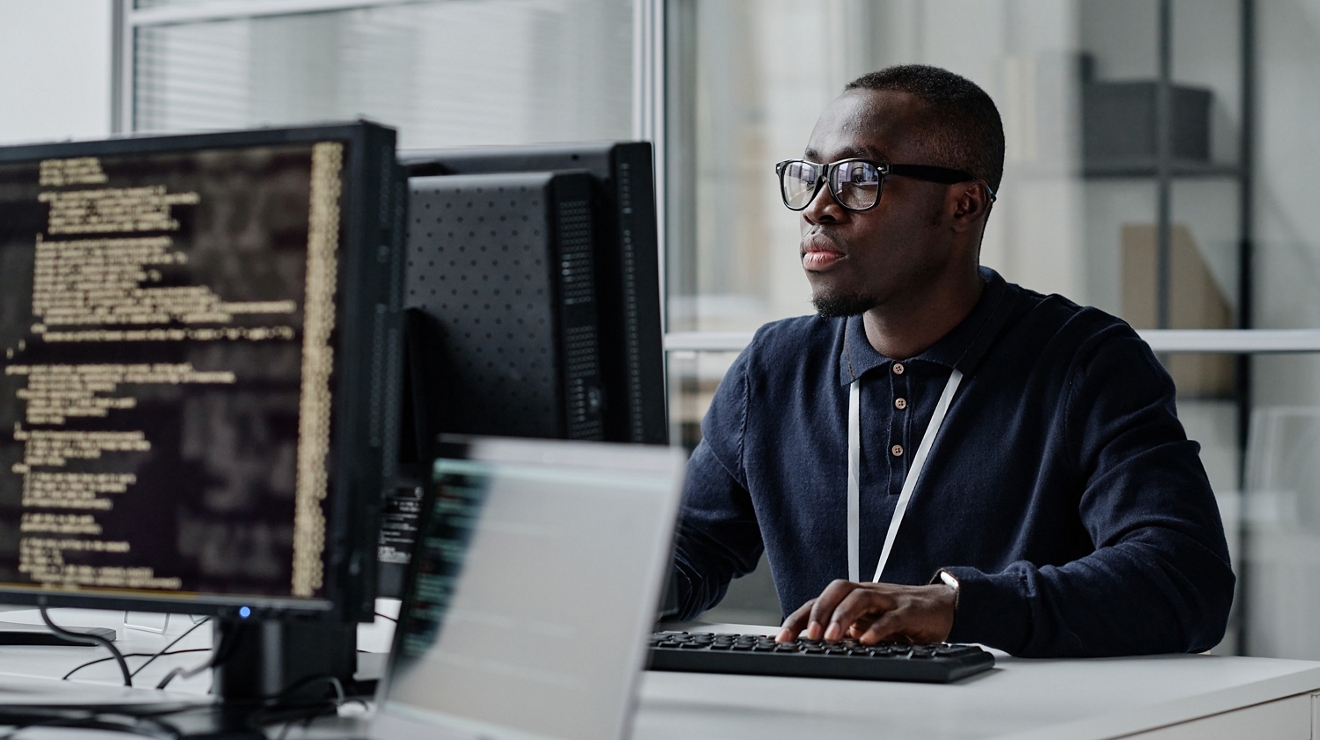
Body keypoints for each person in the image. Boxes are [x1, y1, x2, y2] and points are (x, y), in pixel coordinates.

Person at [670, 64, 1234, 658]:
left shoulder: (1086, 362)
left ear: (963, 206)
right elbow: (684, 554)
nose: (819, 206)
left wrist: (958, 608)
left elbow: (1184, 578)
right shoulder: (774, 369)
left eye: (858, 178)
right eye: (811, 175)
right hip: (824, 716)